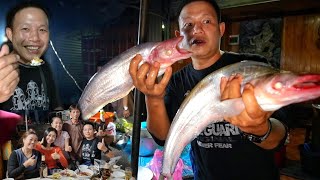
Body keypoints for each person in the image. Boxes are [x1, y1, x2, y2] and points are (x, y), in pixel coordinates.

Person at [129, 0, 288, 179]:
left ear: (221, 29)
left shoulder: (251, 67)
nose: (196, 30)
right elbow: (164, 138)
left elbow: (279, 137)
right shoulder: (175, 81)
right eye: (188, 24)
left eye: (206, 21)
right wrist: (153, 98)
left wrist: (259, 128)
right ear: (178, 36)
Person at [0, 1, 62, 124]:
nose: (35, 38)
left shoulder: (44, 67)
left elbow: (56, 107)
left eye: (42, 29)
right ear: (10, 34)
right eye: (25, 28)